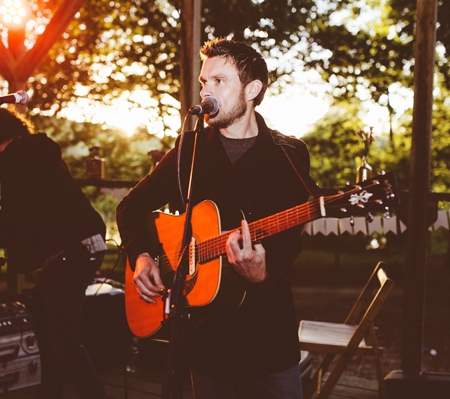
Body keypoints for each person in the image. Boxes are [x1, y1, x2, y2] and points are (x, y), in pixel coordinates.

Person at [116, 38, 313, 399]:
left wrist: (263, 273)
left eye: (219, 81)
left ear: (252, 89)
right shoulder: (190, 149)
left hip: (267, 337)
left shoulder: (288, 154)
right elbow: (130, 206)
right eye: (204, 82)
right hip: (205, 341)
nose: (206, 92)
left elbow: (292, 237)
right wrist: (141, 256)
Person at [0, 108, 108, 398]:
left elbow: (14, 213)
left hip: (71, 250)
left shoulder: (12, 157)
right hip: (87, 243)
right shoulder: (38, 151)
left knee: (62, 338)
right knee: (46, 328)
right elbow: (36, 210)